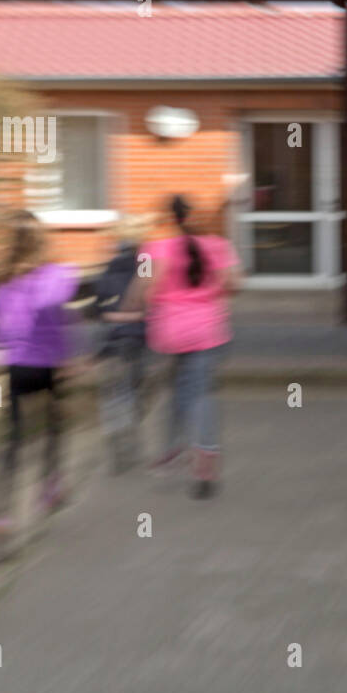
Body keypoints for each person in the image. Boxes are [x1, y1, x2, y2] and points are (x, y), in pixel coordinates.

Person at [0, 210, 79, 562]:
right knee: (54, 425)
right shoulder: (57, 275)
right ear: (40, 240)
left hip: (15, 368)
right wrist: (66, 360)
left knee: (12, 446)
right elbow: (55, 318)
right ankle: (50, 487)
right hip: (46, 367)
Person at [121, 194, 241, 499]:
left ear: (168, 219)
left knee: (179, 388)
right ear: (195, 216)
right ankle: (205, 455)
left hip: (170, 332)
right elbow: (234, 284)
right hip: (207, 331)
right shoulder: (218, 245)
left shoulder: (155, 248)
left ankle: (173, 449)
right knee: (199, 392)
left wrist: (130, 309)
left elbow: (141, 287)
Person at [92, 214, 152, 474]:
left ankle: (115, 426)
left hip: (113, 338)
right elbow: (153, 298)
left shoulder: (109, 267)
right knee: (136, 388)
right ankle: (128, 427)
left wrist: (112, 316)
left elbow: (98, 306)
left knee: (116, 388)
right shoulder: (146, 264)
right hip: (138, 336)